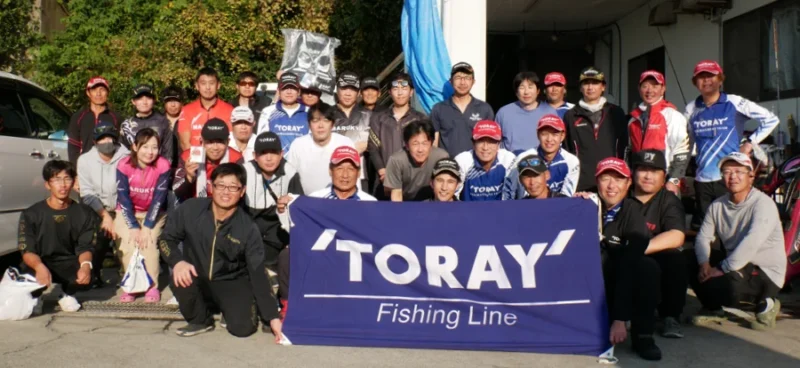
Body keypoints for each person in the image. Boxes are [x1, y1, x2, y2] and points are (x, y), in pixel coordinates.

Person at [159, 163, 283, 339]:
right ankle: (200, 320)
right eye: (221, 185)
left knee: (243, 330)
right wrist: (177, 261)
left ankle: (235, 307)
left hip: (231, 281)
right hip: (197, 276)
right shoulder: (191, 209)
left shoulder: (248, 228)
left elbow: (258, 273)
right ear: (211, 186)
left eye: (233, 187)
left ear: (242, 191)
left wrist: (273, 317)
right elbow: (166, 239)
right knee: (179, 276)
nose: (226, 192)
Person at [575, 158, 661, 361]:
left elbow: (629, 268)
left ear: (628, 183)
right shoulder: (585, 204)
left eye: (618, 179)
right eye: (605, 178)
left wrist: (619, 318)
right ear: (597, 182)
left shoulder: (634, 215)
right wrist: (573, 202)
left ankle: (643, 336)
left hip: (618, 277)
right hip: (587, 277)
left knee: (647, 268)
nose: (612, 186)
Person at [689, 152, 785, 330]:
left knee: (730, 282)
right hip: (736, 264)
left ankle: (767, 303)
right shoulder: (717, 205)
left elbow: (751, 243)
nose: (733, 176)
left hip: (763, 271)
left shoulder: (763, 204)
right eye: (727, 171)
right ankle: (713, 308)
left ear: (751, 176)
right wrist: (704, 263)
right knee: (689, 258)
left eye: (739, 171)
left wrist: (719, 269)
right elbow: (703, 236)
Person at [685, 60, 779, 230]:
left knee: (732, 230)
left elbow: (771, 119)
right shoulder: (691, 108)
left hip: (729, 179)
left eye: (711, 76)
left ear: (720, 80)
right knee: (707, 232)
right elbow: (688, 142)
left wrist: (750, 143)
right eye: (701, 77)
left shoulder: (734, 102)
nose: (706, 80)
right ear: (695, 83)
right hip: (702, 181)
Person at [18, 160, 98, 312]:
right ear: (47, 184)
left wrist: (86, 266)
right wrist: (39, 267)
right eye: (56, 179)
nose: (63, 185)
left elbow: (85, 246)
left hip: (68, 261)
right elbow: (27, 249)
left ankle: (67, 293)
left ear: (73, 182)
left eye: (67, 179)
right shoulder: (31, 214)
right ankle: (36, 295)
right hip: (41, 261)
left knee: (87, 271)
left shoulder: (84, 213)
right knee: (26, 274)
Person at [242, 131, 304, 318]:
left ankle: (279, 305)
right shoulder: (243, 170)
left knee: (283, 259)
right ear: (255, 156)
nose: (269, 158)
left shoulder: (291, 172)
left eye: (273, 152)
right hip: (249, 226)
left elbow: (298, 213)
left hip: (277, 229)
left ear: (281, 153)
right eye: (263, 153)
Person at [630, 150, 688, 338]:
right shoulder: (622, 193)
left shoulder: (668, 200)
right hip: (622, 253)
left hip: (648, 253)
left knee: (676, 258)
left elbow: (676, 235)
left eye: (654, 171)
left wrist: (640, 249)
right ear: (633, 172)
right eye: (643, 169)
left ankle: (670, 316)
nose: (648, 176)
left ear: (664, 176)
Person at [115, 128, 171, 303]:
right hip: (127, 211)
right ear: (134, 147)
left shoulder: (163, 165)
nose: (150, 152)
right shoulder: (123, 165)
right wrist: (132, 226)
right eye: (145, 147)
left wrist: (147, 227)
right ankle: (130, 286)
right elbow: (123, 197)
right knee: (129, 245)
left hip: (153, 212)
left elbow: (159, 198)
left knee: (149, 244)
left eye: (154, 147)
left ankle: (151, 286)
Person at [77, 122, 129, 285]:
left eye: (110, 138)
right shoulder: (85, 160)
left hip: (123, 206)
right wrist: (106, 216)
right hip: (97, 207)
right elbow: (87, 193)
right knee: (97, 239)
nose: (106, 142)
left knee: (125, 239)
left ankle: (128, 273)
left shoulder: (127, 156)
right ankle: (94, 273)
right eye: (102, 139)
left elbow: (130, 186)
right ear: (94, 142)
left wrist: (118, 214)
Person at [564, 67, 628, 192]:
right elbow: (567, 150)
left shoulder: (616, 113)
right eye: (586, 83)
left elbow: (625, 148)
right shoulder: (570, 115)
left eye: (595, 83)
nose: (590, 87)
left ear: (603, 87)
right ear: (581, 88)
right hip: (581, 184)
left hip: (612, 182)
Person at [628, 70, 690, 196]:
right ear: (639, 89)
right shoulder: (633, 120)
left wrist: (674, 180)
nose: (649, 90)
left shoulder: (672, 115)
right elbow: (629, 152)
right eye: (645, 86)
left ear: (663, 89)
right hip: (639, 182)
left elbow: (682, 151)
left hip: (665, 182)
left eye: (655, 86)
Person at [367, 72, 427, 199]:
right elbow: (373, 147)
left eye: (404, 89)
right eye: (395, 89)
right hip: (384, 181)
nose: (400, 93)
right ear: (389, 92)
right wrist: (382, 171)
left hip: (413, 180)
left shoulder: (420, 119)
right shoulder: (378, 118)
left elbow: (425, 149)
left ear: (411, 92)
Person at [503, 114, 580, 200]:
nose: (549, 139)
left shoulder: (572, 161)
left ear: (562, 136)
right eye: (544, 134)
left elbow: (567, 197)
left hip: (557, 208)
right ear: (538, 135)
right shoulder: (523, 158)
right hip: (526, 207)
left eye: (554, 134)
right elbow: (508, 190)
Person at [286, 104, 356, 194]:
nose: (320, 126)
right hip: (306, 202)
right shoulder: (298, 144)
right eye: (315, 121)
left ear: (332, 124)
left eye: (326, 120)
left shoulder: (345, 143)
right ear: (309, 125)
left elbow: (354, 177)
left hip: (337, 201)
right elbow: (289, 176)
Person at [430, 62, 495, 157]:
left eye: (467, 78)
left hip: (475, 166)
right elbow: (434, 143)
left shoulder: (484, 109)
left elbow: (490, 142)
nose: (463, 82)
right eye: (458, 78)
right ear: (451, 81)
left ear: (473, 81)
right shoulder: (438, 108)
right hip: (447, 166)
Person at [174, 119, 244, 202]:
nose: (215, 148)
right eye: (210, 142)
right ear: (201, 142)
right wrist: (189, 177)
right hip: (194, 205)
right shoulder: (188, 157)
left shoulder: (236, 159)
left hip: (226, 205)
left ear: (228, 142)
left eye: (220, 142)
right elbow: (177, 192)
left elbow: (241, 193)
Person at [385, 120, 449, 201]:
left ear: (431, 143)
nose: (420, 149)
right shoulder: (396, 160)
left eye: (425, 143)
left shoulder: (441, 157)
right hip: (405, 202)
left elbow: (445, 188)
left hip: (431, 201)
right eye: (415, 144)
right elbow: (396, 195)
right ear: (407, 145)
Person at [495, 71, 557, 154]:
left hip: (541, 162)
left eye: (530, 87)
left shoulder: (550, 113)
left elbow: (557, 141)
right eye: (522, 87)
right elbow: (495, 142)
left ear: (538, 91)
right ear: (516, 92)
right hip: (511, 164)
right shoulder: (503, 113)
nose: (526, 92)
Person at [67, 76, 123, 167]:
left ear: (108, 93)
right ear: (88, 93)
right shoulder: (78, 117)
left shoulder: (116, 118)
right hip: (85, 167)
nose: (98, 93)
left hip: (110, 166)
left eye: (102, 89)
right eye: (94, 90)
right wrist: (77, 171)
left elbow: (120, 146)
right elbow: (73, 146)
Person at [453, 120, 515, 201]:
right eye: (480, 141)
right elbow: (453, 195)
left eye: (491, 141)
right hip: (469, 212)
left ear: (498, 144)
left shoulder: (508, 159)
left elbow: (512, 195)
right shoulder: (463, 160)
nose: (485, 147)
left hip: (500, 211)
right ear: (473, 143)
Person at [177, 67, 234, 151]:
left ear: (218, 85)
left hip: (222, 159)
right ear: (197, 86)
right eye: (203, 83)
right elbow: (185, 143)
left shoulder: (230, 110)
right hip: (195, 159)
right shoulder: (186, 110)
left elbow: (232, 142)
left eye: (211, 83)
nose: (208, 87)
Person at [332, 71, 372, 188]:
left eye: (353, 89)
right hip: (330, 173)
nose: (348, 93)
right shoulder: (327, 114)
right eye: (344, 88)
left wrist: (367, 145)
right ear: (337, 89)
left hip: (360, 175)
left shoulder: (369, 115)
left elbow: (375, 144)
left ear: (359, 93)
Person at [121, 84, 174, 164]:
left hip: (158, 170)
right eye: (140, 98)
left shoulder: (163, 122)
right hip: (134, 171)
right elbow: (123, 153)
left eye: (148, 98)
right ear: (133, 101)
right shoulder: (126, 125)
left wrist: (163, 171)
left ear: (154, 100)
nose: (144, 102)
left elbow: (168, 152)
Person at [257, 72, 308, 153]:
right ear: (278, 91)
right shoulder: (267, 112)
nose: (289, 92)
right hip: (277, 163)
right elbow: (261, 141)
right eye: (285, 88)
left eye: (293, 88)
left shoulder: (309, 112)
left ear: (299, 91)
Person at [308, 146, 378, 200]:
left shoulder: (369, 203)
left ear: (359, 173)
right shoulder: (315, 199)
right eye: (340, 168)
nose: (345, 175)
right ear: (330, 170)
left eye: (351, 169)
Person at [161, 86, 184, 162]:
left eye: (176, 101)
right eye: (169, 101)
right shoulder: (158, 121)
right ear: (164, 103)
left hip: (183, 166)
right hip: (162, 166)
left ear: (181, 103)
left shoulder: (188, 121)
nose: (173, 105)